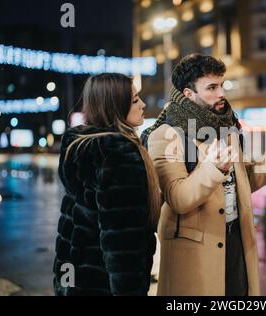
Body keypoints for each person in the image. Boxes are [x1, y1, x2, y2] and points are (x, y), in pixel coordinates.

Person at [143, 54, 266, 296]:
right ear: (188, 94)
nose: (221, 93)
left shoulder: (226, 128)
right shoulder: (166, 134)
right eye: (211, 87)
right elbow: (178, 198)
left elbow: (246, 180)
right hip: (195, 251)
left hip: (237, 239)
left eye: (222, 85)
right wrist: (214, 168)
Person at [53, 73, 161, 296]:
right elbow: (122, 244)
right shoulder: (118, 154)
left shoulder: (80, 148)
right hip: (101, 285)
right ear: (115, 106)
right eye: (134, 100)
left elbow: (71, 228)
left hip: (72, 277)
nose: (142, 104)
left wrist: (64, 286)